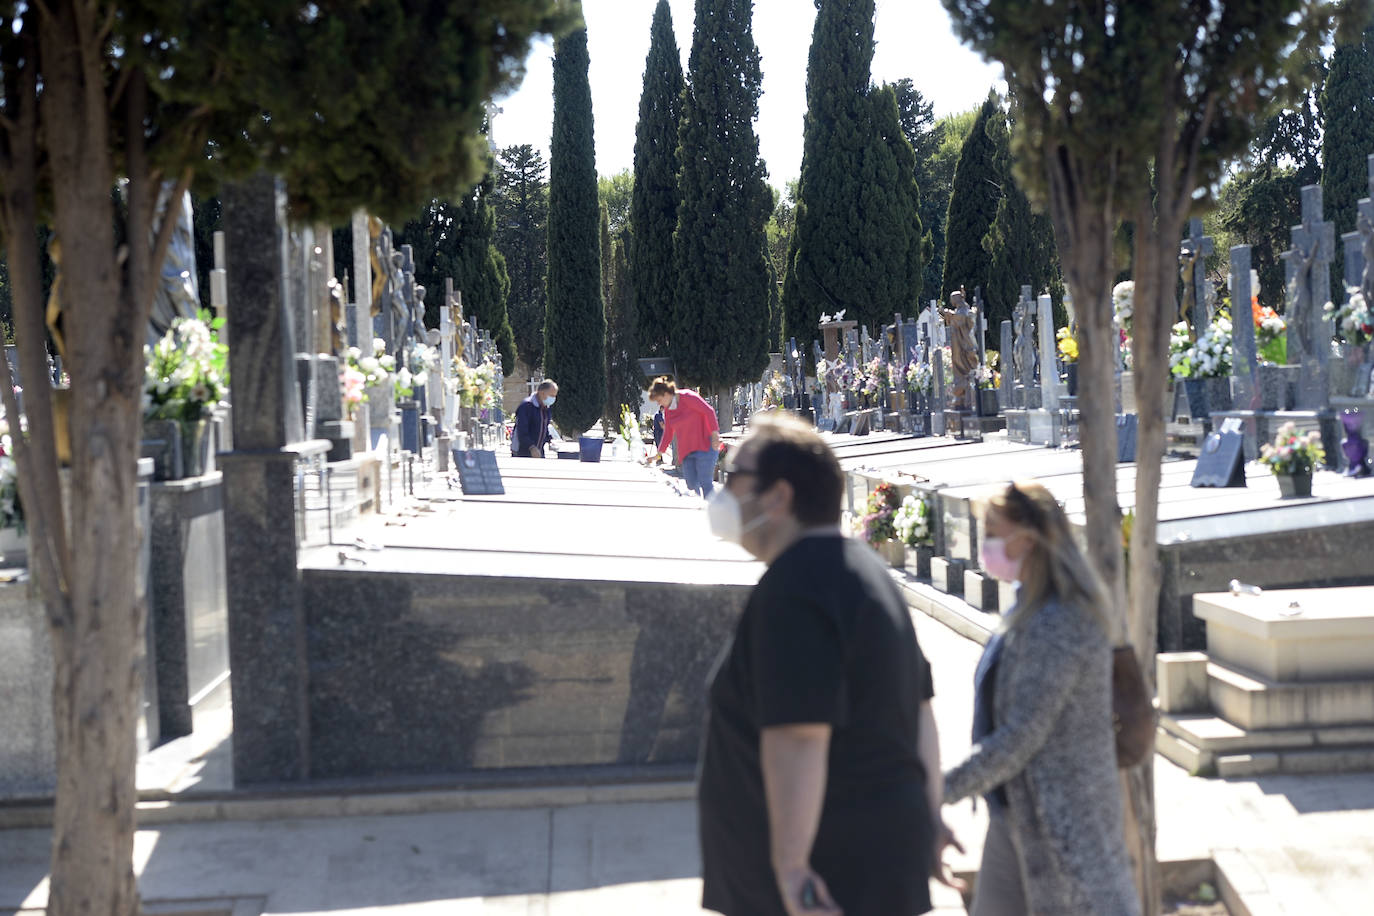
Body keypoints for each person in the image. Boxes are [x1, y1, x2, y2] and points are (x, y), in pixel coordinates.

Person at [697, 412, 958, 916]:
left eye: (733, 477)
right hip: (876, 865)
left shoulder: (796, 589)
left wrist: (793, 869)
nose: (723, 491)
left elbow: (799, 733)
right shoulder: (864, 572)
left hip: (824, 881)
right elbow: (920, 712)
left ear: (778, 496)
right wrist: (929, 817)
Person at [943, 481, 1140, 916]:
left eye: (994, 532)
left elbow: (1021, 736)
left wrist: (940, 788)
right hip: (1016, 814)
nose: (986, 544)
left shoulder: (1059, 622)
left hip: (1062, 823)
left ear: (1028, 539)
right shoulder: (1028, 609)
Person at [645, 376, 721, 497]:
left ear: (665, 394)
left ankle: (713, 511)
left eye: (659, 400)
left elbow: (709, 411)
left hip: (706, 446)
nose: (659, 404)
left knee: (705, 482)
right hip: (687, 451)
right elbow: (668, 433)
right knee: (691, 485)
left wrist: (715, 434)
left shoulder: (687, 397)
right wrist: (658, 455)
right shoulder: (669, 410)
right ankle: (698, 509)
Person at [511, 379, 556, 458]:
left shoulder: (546, 408)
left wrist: (550, 440)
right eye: (551, 396)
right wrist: (531, 447)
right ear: (542, 393)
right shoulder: (526, 406)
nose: (553, 399)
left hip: (539, 451)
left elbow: (544, 427)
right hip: (523, 452)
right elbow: (522, 431)